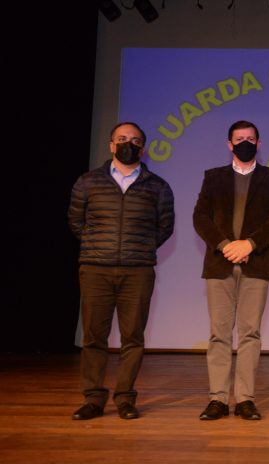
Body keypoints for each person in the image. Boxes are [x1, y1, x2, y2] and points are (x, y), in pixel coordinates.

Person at [67, 122, 175, 420]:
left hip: (138, 271)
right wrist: (97, 245)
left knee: (133, 337)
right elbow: (76, 222)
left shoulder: (158, 186)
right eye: (122, 139)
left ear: (143, 148)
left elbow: (165, 226)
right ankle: (93, 398)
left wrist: (139, 248)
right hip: (95, 269)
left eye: (136, 140)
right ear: (111, 145)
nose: (129, 144)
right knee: (94, 337)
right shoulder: (88, 182)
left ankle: (125, 398)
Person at [193, 120, 269, 421]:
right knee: (219, 334)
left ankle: (245, 398)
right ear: (229, 144)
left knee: (250, 334)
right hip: (219, 264)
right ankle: (218, 399)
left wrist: (249, 244)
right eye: (238, 138)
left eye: (250, 138)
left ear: (258, 144)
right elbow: (200, 217)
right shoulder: (213, 177)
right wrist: (225, 245)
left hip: (254, 263)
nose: (244, 142)